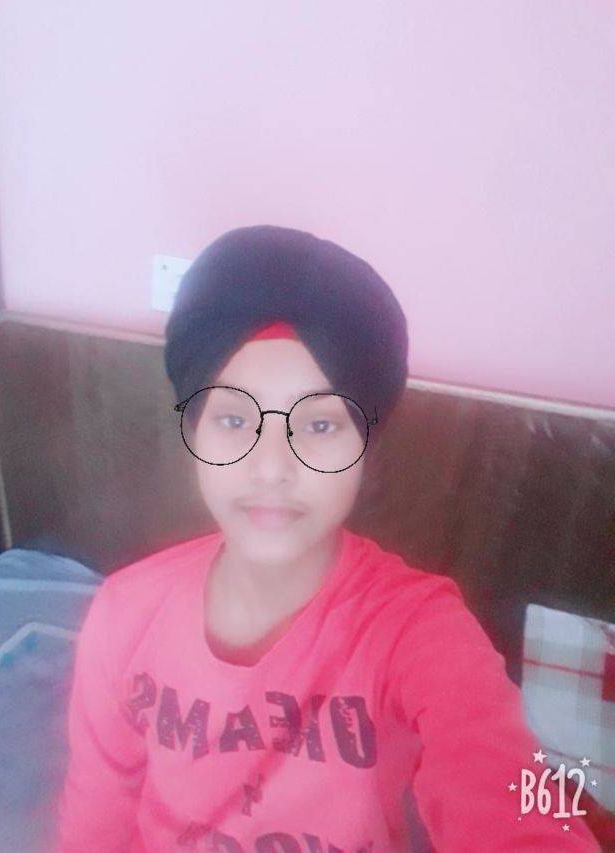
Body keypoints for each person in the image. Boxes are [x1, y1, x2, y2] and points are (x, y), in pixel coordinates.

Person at [56, 225, 600, 851]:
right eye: (234, 419)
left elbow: (513, 798)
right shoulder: (124, 616)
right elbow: (93, 827)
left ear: (364, 448)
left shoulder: (418, 633)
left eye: (318, 425)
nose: (271, 467)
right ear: (194, 431)